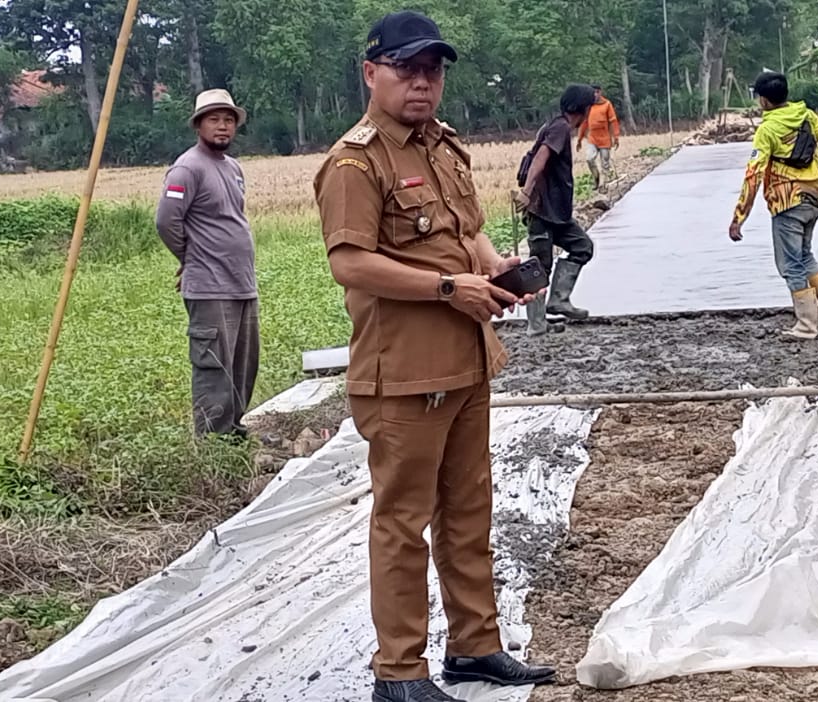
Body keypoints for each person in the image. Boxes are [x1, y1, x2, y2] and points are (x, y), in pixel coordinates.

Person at [313, 11, 555, 702]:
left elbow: (467, 232)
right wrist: (449, 286)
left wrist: (494, 267)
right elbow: (351, 263)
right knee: (402, 522)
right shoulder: (356, 163)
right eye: (406, 69)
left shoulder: (441, 148)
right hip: (405, 374)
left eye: (433, 71)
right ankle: (400, 672)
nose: (422, 83)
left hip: (468, 359)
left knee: (468, 509)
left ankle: (475, 647)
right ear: (371, 73)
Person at [155, 88, 259, 438]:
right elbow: (166, 221)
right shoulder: (187, 168)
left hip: (242, 283)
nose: (222, 127)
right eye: (214, 119)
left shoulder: (232, 168)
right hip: (209, 285)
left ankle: (232, 430)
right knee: (214, 366)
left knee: (243, 364)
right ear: (199, 125)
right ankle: (213, 444)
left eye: (228, 120)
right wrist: (191, 257)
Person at [727, 71, 818, 340]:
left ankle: (806, 325)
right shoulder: (806, 115)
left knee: (791, 264)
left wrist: (739, 216)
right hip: (814, 198)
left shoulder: (767, 130)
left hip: (787, 202)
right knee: (804, 256)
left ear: (764, 101)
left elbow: (753, 174)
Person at [516, 84, 598, 335]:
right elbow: (541, 157)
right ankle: (536, 324)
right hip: (542, 210)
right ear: (582, 109)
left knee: (582, 246)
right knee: (540, 264)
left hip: (556, 212)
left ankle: (557, 301)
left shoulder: (553, 126)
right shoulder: (560, 128)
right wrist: (527, 191)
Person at [575, 85, 620, 188]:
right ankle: (596, 177)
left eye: (597, 92)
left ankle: (604, 184)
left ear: (600, 92)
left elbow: (613, 121)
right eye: (593, 92)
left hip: (604, 138)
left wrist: (616, 137)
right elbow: (584, 123)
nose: (595, 94)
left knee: (605, 162)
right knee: (589, 159)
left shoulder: (607, 104)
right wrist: (579, 139)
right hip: (592, 138)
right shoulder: (589, 106)